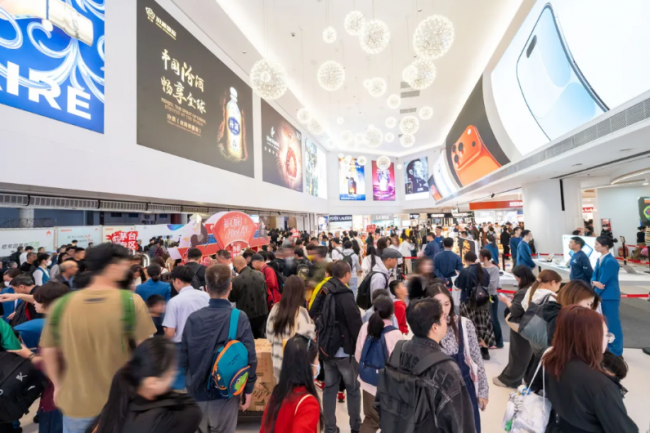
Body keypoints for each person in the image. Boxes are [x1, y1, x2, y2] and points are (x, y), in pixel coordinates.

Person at [39, 243, 156, 433]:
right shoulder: (130, 302)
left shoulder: (61, 305)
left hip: (76, 402)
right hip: (120, 402)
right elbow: (147, 351)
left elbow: (49, 352)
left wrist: (58, 386)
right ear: (113, 267)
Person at [375, 298, 476, 432]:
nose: (446, 322)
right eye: (443, 318)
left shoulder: (398, 350)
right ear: (434, 327)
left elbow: (381, 400)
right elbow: (462, 423)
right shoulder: (447, 368)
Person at [533, 306, 637, 432]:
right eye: (605, 334)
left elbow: (534, 385)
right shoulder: (601, 386)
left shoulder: (549, 357)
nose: (608, 340)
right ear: (590, 337)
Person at [180, 264, 257, 433]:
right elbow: (250, 356)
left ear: (207, 288)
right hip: (225, 395)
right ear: (230, 286)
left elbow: (183, 358)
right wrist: (249, 388)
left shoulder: (193, 318)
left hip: (196, 394)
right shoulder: (238, 317)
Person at [88, 337, 201, 433]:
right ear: (152, 383)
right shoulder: (159, 419)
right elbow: (194, 411)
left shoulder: (118, 401)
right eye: (170, 372)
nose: (175, 373)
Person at [427, 285, 489, 433]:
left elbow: (476, 359)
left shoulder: (464, 324)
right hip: (437, 392)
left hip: (464, 389)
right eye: (438, 305)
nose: (443, 310)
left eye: (446, 304)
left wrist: (483, 391)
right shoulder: (426, 327)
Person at [318, 261, 362, 433]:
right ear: (347, 274)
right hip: (345, 350)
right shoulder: (346, 295)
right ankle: (355, 427)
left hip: (326, 348)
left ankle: (330, 428)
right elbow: (355, 322)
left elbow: (313, 312)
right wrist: (359, 344)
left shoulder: (323, 289)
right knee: (353, 389)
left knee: (329, 389)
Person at [354, 296, 402, 433]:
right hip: (387, 386)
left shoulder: (365, 327)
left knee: (371, 419)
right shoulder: (395, 334)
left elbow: (358, 354)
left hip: (368, 382)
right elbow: (399, 364)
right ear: (391, 313)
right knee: (390, 423)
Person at [260, 335, 322, 433]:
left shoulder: (278, 393)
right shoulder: (308, 403)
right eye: (317, 359)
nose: (318, 364)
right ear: (307, 366)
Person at [493, 265, 536, 388]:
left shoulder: (523, 291)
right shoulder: (532, 287)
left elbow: (515, 311)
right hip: (530, 325)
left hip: (520, 325)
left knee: (517, 352)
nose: (515, 279)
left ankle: (510, 379)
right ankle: (523, 377)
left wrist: (507, 301)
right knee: (526, 352)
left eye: (516, 277)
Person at [266, 276, 316, 381]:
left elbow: (269, 336)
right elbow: (309, 340)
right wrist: (312, 324)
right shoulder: (302, 313)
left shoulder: (275, 309)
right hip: (295, 366)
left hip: (278, 363)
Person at [454, 251, 495, 360]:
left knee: (468, 326)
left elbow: (458, 284)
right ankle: (485, 351)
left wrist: (458, 276)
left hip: (468, 302)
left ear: (466, 260)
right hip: (483, 301)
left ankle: (471, 351)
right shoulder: (483, 270)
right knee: (483, 325)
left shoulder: (465, 271)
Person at [591, 236, 623, 356]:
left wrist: (594, 294)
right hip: (601, 296)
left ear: (605, 246)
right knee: (603, 324)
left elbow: (602, 282)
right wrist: (594, 283)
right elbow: (594, 277)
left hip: (609, 297)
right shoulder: (599, 259)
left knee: (612, 324)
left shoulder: (611, 261)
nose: (595, 246)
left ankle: (616, 351)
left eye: (597, 244)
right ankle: (607, 347)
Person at [163, 265, 210, 343]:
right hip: (204, 342)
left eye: (172, 282)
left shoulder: (174, 302)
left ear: (177, 281)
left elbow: (170, 333)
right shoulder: (206, 296)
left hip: (182, 344)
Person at [229, 256, 269, 339]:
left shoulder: (236, 280)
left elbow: (232, 298)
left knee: (248, 338)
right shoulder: (260, 274)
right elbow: (265, 290)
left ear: (236, 266)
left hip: (246, 314)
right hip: (262, 311)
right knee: (261, 337)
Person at [480, 249, 503, 349]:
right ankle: (487, 340)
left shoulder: (494, 269)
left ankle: (499, 342)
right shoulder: (480, 267)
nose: (479, 258)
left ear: (484, 257)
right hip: (481, 296)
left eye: (480, 256)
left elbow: (493, 285)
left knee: (493, 319)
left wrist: (482, 289)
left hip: (490, 296)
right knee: (483, 320)